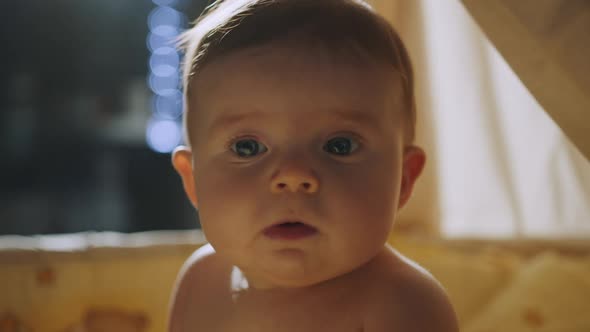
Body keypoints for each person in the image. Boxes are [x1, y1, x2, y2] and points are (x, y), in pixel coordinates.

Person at [168, 0, 459, 331]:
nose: (293, 176)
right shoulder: (201, 282)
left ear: (403, 179)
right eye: (247, 147)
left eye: (339, 146)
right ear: (193, 181)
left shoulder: (403, 305)